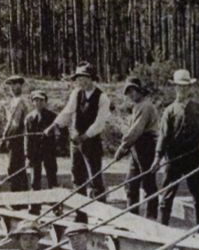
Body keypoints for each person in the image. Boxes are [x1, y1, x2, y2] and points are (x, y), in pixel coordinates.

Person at [45, 62, 111, 222]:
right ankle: (80, 216)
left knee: (95, 179)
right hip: (76, 142)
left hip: (91, 142)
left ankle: (102, 216)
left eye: (84, 78)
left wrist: (85, 136)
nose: (80, 81)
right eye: (78, 78)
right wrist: (53, 126)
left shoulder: (102, 97)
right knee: (77, 178)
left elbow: (99, 123)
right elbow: (67, 112)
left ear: (91, 78)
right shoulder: (76, 93)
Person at [152, 69, 199, 227]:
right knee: (167, 194)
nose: (182, 89)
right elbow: (163, 136)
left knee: (197, 193)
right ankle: (161, 227)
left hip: (193, 157)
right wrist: (158, 157)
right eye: (179, 86)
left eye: (185, 86)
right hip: (173, 158)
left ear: (190, 87)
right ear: (175, 88)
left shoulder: (197, 109)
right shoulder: (170, 110)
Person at [114, 77, 159, 219]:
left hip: (146, 145)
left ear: (140, 91)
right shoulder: (137, 106)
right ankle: (132, 217)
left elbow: (136, 131)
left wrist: (122, 148)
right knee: (131, 183)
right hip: (136, 147)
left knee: (148, 184)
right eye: (128, 93)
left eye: (133, 91)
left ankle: (151, 219)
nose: (131, 95)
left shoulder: (145, 106)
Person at [25, 90, 59, 214]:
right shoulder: (29, 118)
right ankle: (35, 206)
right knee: (35, 181)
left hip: (49, 152)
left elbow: (59, 134)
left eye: (41, 100)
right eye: (36, 100)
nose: (38, 103)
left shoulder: (53, 117)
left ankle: (56, 206)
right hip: (35, 154)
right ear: (33, 102)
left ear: (45, 102)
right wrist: (27, 156)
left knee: (52, 179)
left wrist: (56, 147)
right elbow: (27, 138)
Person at [2, 75, 30, 194]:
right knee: (17, 169)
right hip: (13, 138)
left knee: (14, 168)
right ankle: (22, 199)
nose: (13, 88)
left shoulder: (21, 101)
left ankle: (18, 200)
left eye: (16, 84)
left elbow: (15, 124)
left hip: (19, 137)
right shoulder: (13, 101)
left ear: (21, 86)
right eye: (11, 85)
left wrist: (4, 138)